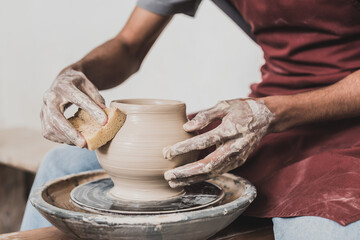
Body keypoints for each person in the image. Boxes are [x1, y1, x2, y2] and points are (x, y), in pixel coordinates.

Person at [21, 0, 360, 239]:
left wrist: (273, 112)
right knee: (63, 165)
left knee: (321, 227)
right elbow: (128, 45)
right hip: (271, 103)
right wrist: (73, 74)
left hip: (347, 115)